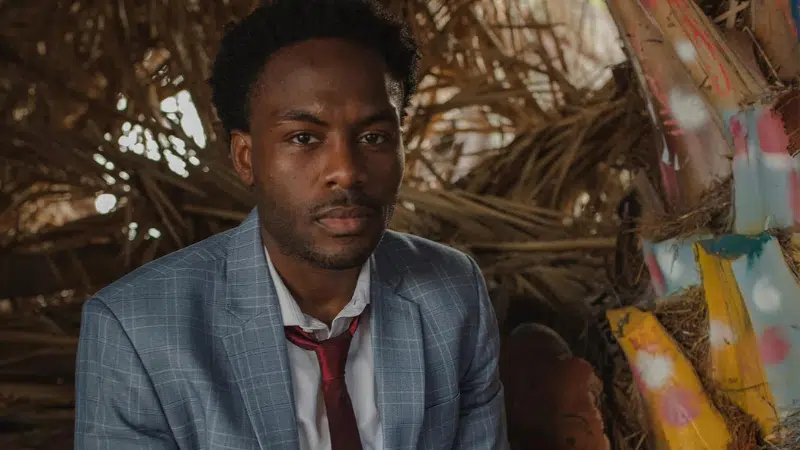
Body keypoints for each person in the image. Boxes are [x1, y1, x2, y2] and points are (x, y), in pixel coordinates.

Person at [73, 0, 508, 449]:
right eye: (304, 138)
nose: (346, 170)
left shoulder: (452, 294)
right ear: (246, 158)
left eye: (374, 137)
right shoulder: (135, 330)